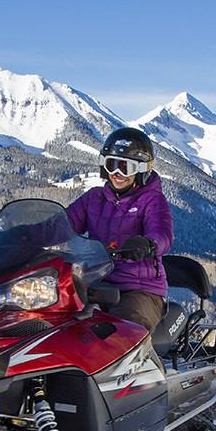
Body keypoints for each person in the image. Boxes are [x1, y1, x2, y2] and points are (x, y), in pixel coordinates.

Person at [65, 127, 174, 331]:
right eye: (112, 165)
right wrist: (26, 233)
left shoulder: (152, 200)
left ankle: (138, 351)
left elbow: (163, 233)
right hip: (93, 281)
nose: (117, 173)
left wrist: (148, 244)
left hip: (138, 289)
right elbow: (63, 223)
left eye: (126, 167)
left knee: (123, 331)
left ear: (142, 169)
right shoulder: (94, 197)